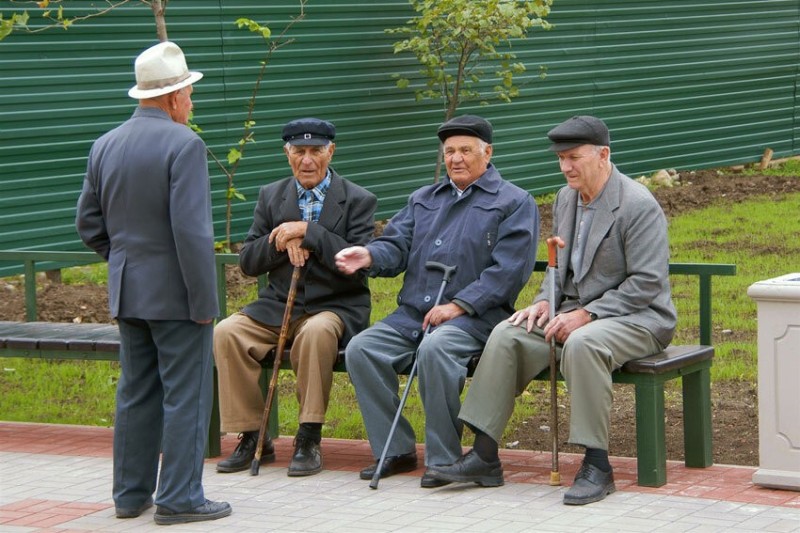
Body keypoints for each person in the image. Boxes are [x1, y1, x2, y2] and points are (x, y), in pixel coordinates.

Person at [427, 115, 677, 505]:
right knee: (507, 333)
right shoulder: (566, 198)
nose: (565, 167)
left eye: (574, 158)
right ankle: (485, 456)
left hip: (638, 319)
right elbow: (558, 266)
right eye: (561, 158)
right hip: (575, 313)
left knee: (583, 344)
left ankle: (597, 465)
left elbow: (646, 283)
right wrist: (546, 300)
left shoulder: (637, 205)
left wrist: (586, 315)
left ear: (603, 155)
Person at [335, 115, 540, 488]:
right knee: (362, 349)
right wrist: (369, 255)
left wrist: (458, 305)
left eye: (465, 150)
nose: (456, 158)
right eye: (449, 152)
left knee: (436, 349)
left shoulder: (514, 202)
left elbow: (508, 272)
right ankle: (394, 449)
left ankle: (445, 458)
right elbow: (395, 246)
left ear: (487, 152)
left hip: (476, 318)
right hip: (414, 314)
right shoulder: (423, 199)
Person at [75, 41, 231, 525]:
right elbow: (191, 233)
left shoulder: (106, 144)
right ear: (173, 96)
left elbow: (88, 223)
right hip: (178, 295)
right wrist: (204, 300)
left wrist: (124, 261)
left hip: (128, 291)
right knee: (187, 394)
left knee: (136, 393)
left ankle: (129, 496)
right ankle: (180, 497)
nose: (192, 102)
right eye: (189, 93)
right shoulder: (185, 145)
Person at [213, 118, 377, 477]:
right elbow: (248, 262)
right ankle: (252, 436)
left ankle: (308, 437)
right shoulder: (271, 195)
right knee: (227, 332)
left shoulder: (358, 200)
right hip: (278, 305)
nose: (307, 160)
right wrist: (277, 240)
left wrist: (309, 232)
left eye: (316, 151)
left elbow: (359, 264)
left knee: (316, 333)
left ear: (330, 152)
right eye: (298, 151)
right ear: (287, 154)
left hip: (336, 305)